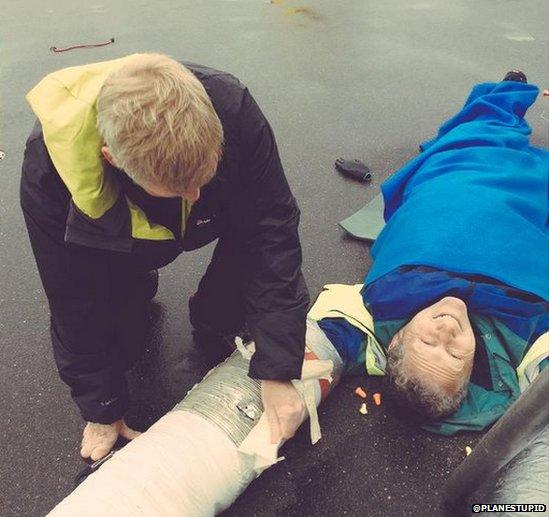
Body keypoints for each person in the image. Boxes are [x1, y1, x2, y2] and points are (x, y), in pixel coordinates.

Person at [20, 53, 309, 460]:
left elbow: (271, 232)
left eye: (201, 179)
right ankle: (134, 284)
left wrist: (278, 367)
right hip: (119, 239)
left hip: (207, 215)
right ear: (112, 159)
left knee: (240, 279)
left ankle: (213, 308)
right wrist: (101, 407)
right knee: (116, 309)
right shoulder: (49, 176)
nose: (194, 195)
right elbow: (73, 297)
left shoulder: (233, 108)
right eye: (179, 188)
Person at [313, 71, 548, 433]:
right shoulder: (525, 328)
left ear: (398, 338)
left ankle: (503, 97)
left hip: (453, 182)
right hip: (517, 208)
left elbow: (335, 332)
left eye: (427, 341)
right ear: (473, 366)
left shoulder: (386, 304)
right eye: (455, 354)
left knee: (476, 135)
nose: (448, 330)